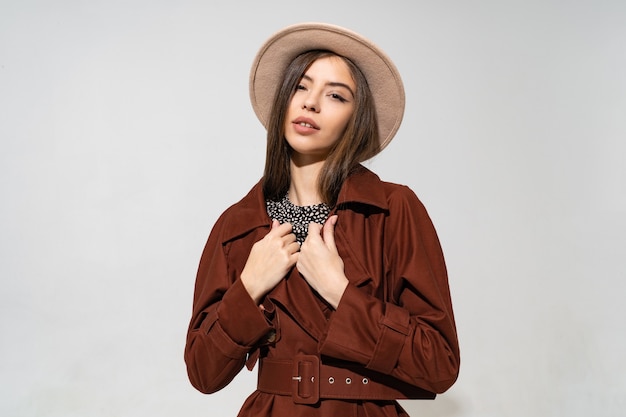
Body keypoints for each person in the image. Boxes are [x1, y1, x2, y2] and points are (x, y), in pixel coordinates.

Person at [184, 22, 460, 416]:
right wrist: (248, 288)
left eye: (335, 95)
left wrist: (342, 293)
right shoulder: (238, 225)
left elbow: (440, 364)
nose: (311, 103)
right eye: (301, 86)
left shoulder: (392, 209)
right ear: (284, 99)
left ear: (356, 118)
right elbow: (202, 373)